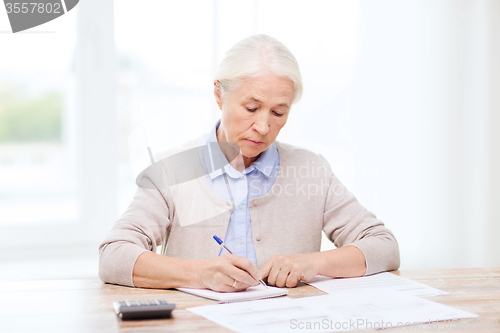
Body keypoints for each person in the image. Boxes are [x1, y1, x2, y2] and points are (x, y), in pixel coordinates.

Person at [99, 34, 400, 292]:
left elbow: (384, 246)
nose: (263, 126)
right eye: (251, 107)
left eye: (279, 113)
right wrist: (200, 274)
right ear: (219, 95)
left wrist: (312, 262)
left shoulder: (312, 171)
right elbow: (114, 256)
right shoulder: (170, 171)